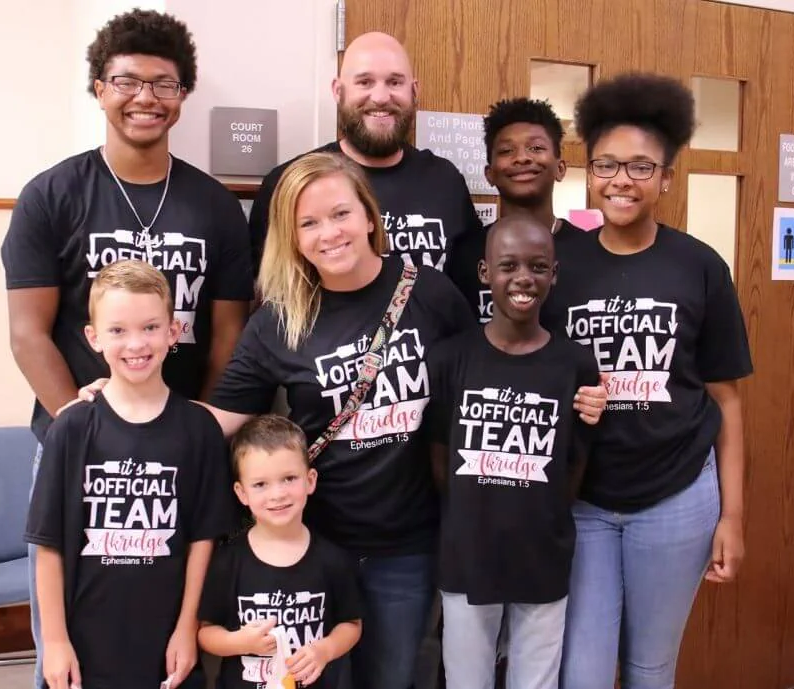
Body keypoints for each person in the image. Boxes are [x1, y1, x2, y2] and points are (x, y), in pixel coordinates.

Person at [78, 151, 607, 689]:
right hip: (318, 545)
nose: (328, 233)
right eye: (308, 223)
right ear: (293, 236)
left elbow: (490, 370)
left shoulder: (427, 292)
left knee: (396, 676)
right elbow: (219, 419)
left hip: (411, 543)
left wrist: (579, 399)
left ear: (369, 216)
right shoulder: (278, 321)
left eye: (340, 214)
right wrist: (130, 396)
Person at [0, 10, 253, 687]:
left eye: (164, 84)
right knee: (67, 646)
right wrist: (78, 426)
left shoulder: (216, 207)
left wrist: (195, 426)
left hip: (178, 450)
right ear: (98, 88)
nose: (145, 97)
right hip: (73, 444)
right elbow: (28, 331)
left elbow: (230, 332)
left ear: (183, 95)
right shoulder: (51, 195)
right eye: (127, 81)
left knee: (169, 631)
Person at [552, 73, 753, 689]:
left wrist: (733, 517)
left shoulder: (699, 267)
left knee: (648, 665)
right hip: (584, 499)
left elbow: (726, 399)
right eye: (607, 164)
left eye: (642, 167)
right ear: (589, 172)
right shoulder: (562, 265)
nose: (622, 180)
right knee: (581, 671)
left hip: (678, 500)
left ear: (667, 177)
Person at [25, 260, 239, 689]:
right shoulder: (71, 428)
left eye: (150, 327)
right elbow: (49, 547)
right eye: (118, 330)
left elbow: (203, 541)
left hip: (165, 643)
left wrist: (187, 627)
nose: (136, 344)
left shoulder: (198, 430)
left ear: (173, 331)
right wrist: (55, 641)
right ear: (94, 337)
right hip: (85, 645)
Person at [428, 216, 600, 689]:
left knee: (536, 680)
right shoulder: (450, 359)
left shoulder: (575, 363)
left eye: (538, 266)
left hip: (542, 552)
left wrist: (533, 510)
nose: (523, 278)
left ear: (554, 274)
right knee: (467, 679)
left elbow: (574, 464)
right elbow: (441, 459)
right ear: (485, 272)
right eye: (508, 265)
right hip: (468, 555)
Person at [248, 31, 482, 275]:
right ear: (338, 91)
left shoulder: (445, 181)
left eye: (394, 82)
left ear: (414, 91)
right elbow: (268, 294)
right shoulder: (290, 182)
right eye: (365, 82)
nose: (380, 97)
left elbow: (468, 292)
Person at [198, 415, 364, 689]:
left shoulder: (333, 559)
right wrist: (238, 642)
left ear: (310, 480)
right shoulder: (228, 561)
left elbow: (351, 624)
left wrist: (326, 650)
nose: (277, 494)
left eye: (288, 478)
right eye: (260, 484)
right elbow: (207, 632)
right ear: (241, 493)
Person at [446, 97, 587, 325]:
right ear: (489, 174)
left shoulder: (589, 250)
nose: (522, 158)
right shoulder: (466, 254)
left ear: (560, 169)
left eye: (536, 148)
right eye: (506, 150)